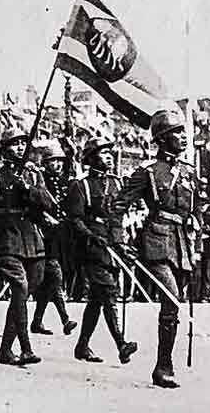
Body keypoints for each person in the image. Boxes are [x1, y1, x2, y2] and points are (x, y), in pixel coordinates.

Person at [112, 109, 197, 389]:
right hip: (156, 241)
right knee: (171, 299)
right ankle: (163, 367)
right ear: (161, 139)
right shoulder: (146, 172)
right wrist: (119, 240)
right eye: (176, 133)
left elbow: (193, 211)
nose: (183, 138)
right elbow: (118, 207)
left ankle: (164, 363)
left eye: (183, 132)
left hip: (182, 243)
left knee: (173, 306)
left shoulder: (188, 172)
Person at [0, 127, 57, 366]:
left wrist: (28, 190)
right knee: (19, 287)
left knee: (27, 291)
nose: (20, 148)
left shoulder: (34, 175)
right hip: (6, 238)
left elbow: (49, 203)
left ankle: (5, 350)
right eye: (14, 144)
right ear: (4, 149)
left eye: (22, 143)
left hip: (32, 238)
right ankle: (26, 347)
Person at [66, 136, 137, 364]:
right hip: (91, 248)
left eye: (109, 153)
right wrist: (91, 236)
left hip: (112, 247)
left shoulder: (117, 184)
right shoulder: (80, 185)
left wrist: (121, 244)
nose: (108, 157)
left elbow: (117, 218)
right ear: (91, 158)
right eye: (102, 153)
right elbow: (75, 220)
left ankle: (82, 346)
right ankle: (121, 343)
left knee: (97, 299)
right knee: (108, 292)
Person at [30, 142, 78, 337]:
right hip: (44, 235)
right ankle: (65, 319)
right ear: (45, 163)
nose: (57, 165)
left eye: (59, 161)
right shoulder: (40, 181)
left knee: (48, 282)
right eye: (52, 162)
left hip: (59, 236)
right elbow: (33, 206)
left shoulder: (64, 181)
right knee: (55, 276)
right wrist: (44, 217)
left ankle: (36, 322)